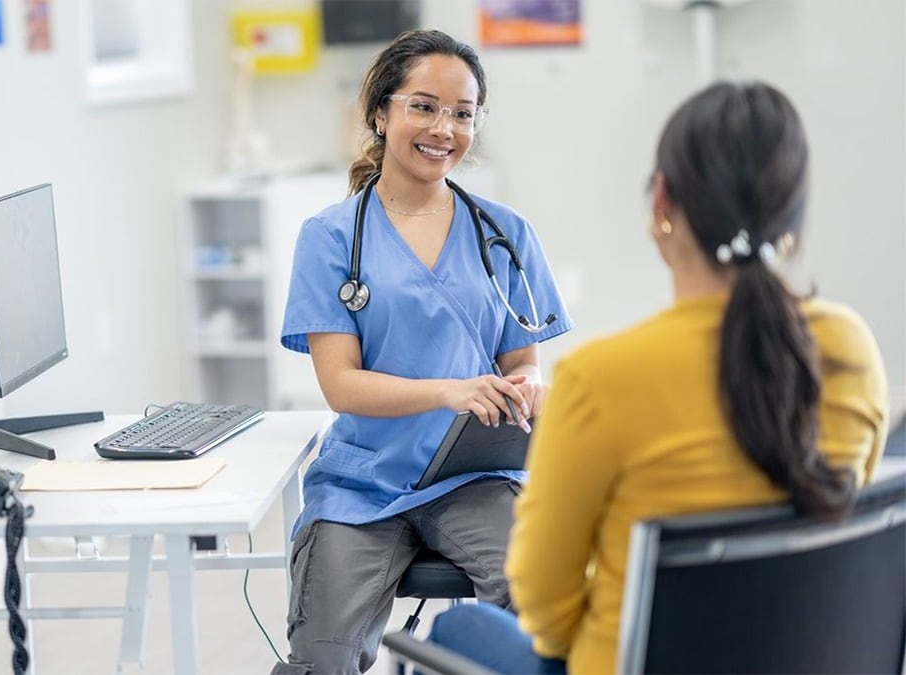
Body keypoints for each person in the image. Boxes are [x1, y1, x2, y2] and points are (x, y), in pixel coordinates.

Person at [428, 81, 889, 674]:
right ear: (791, 217)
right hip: (806, 657)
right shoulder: (850, 347)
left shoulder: (603, 378)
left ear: (661, 206)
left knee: (457, 625)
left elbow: (545, 611)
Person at [276, 29, 572, 674]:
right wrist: (450, 390)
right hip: (363, 481)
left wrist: (523, 388)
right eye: (424, 106)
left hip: (474, 475)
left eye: (462, 114)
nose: (445, 128)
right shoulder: (329, 238)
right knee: (321, 655)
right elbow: (341, 385)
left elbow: (523, 361)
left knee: (542, 607)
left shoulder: (506, 233)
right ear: (381, 114)